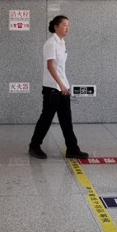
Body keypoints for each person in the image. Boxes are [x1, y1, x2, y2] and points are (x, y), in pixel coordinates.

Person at [29, 15, 89, 159]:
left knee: (66, 119)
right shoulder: (51, 43)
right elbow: (50, 66)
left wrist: (65, 86)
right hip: (52, 89)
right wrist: (61, 85)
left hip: (62, 87)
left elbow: (60, 69)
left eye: (68, 25)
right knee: (46, 119)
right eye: (64, 25)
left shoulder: (61, 43)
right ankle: (34, 146)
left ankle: (72, 149)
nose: (67, 28)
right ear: (56, 27)